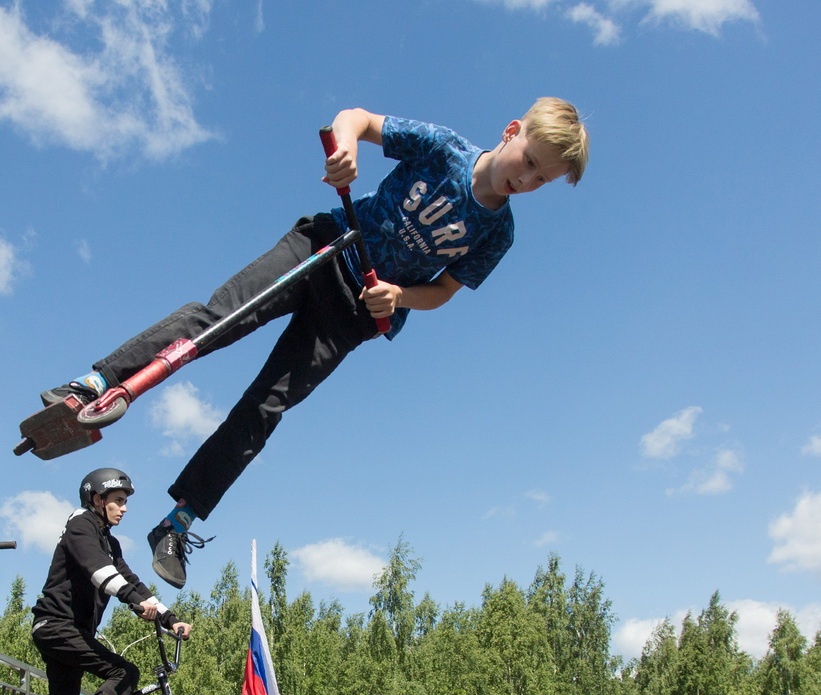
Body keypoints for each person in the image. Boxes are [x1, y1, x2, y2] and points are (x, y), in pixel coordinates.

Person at [39, 101, 589, 590]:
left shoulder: (499, 234)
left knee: (266, 405)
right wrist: (346, 150)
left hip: (354, 312)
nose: (530, 179)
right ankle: (97, 381)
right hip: (324, 247)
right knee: (218, 319)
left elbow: (444, 290)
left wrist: (398, 297)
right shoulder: (443, 149)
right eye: (531, 161)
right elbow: (358, 119)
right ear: (512, 131)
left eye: (544, 180)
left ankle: (177, 523)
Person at [30, 468, 192, 695]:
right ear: (97, 500)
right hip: (56, 626)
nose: (124, 508)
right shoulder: (80, 526)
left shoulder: (110, 542)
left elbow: (131, 581)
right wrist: (134, 601)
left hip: (76, 632)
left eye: (125, 501)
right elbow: (100, 572)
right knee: (125, 673)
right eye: (118, 500)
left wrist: (169, 618)